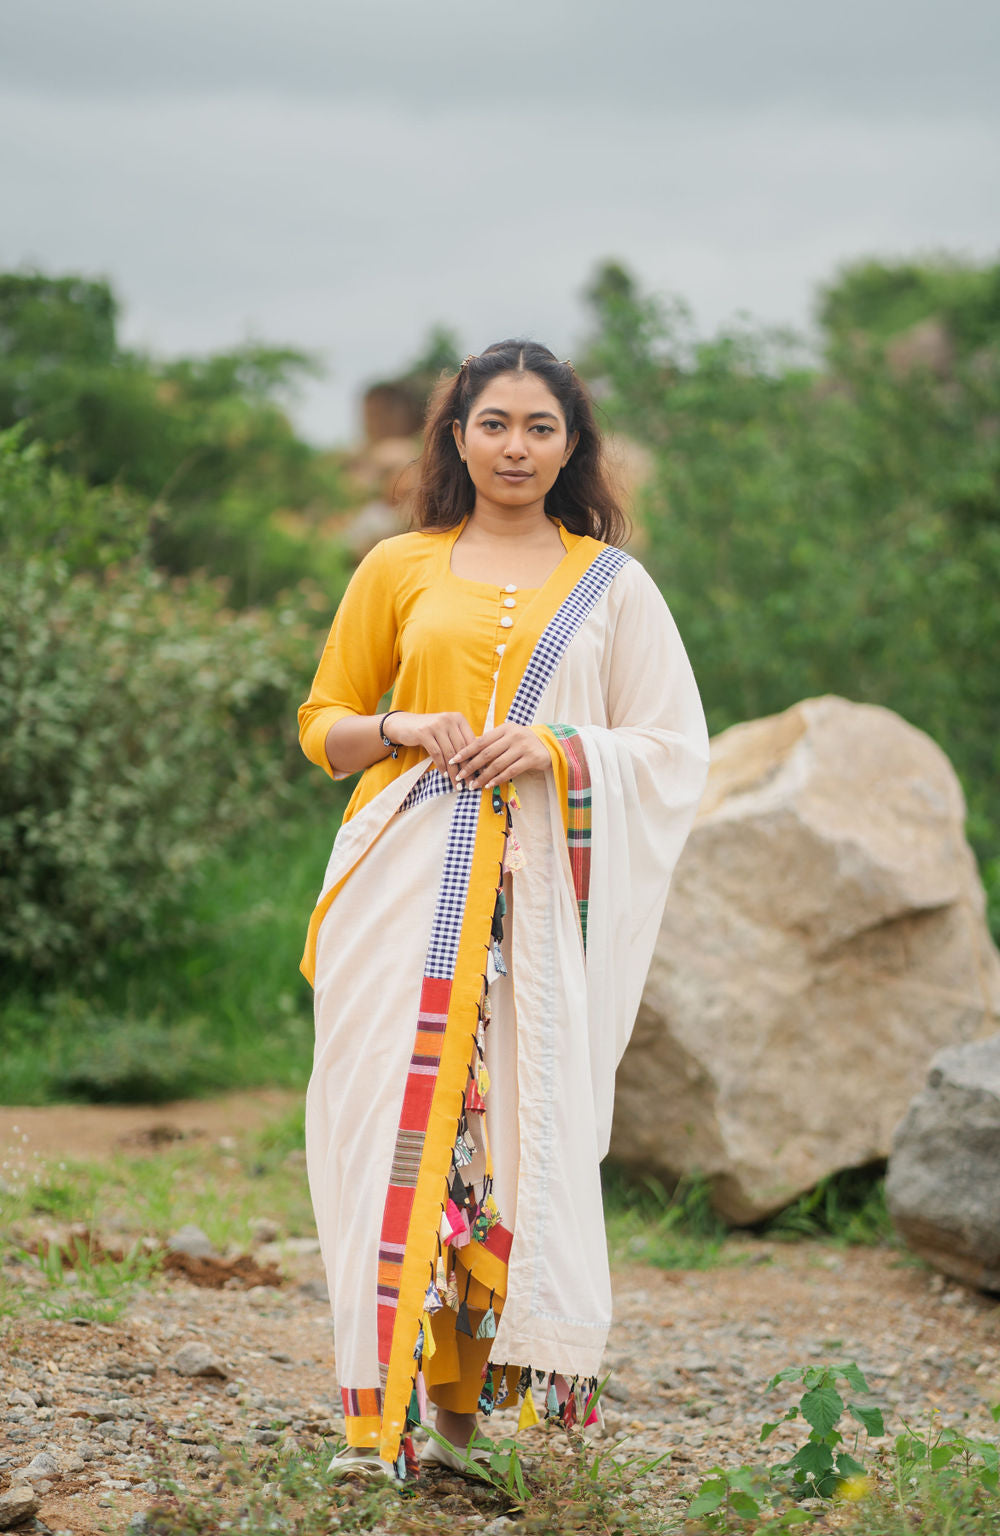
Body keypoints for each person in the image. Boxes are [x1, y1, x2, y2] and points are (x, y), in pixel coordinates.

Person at [297, 340, 709, 1483]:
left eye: (539, 426)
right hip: (401, 886)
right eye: (493, 424)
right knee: (384, 1128)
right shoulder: (398, 565)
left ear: (572, 444)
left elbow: (676, 750)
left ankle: (462, 1430)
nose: (515, 447)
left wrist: (556, 746)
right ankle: (369, 1428)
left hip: (536, 912)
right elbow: (323, 721)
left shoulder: (612, 586)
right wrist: (400, 729)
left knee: (507, 1147)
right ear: (456, 435)